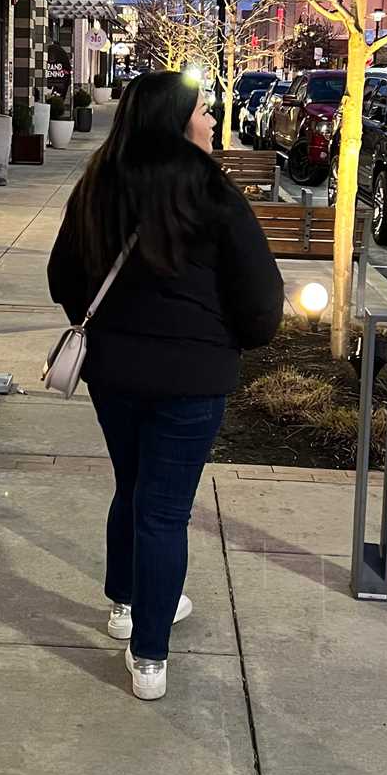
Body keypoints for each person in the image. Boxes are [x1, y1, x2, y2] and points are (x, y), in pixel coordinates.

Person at [47, 71, 283, 701]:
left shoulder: (98, 183)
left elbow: (62, 276)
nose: (211, 121)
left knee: (133, 483)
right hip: (193, 379)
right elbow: (260, 297)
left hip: (115, 374)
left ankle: (126, 603)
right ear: (179, 120)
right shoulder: (212, 189)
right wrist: (232, 339)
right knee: (164, 508)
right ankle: (148, 655)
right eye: (203, 111)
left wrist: (106, 327)